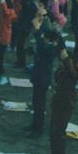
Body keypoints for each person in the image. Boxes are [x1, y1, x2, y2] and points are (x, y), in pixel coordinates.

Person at [48, 39, 78, 154]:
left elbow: (68, 66)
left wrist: (64, 55)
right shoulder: (64, 67)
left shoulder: (73, 71)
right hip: (58, 102)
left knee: (58, 132)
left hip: (65, 104)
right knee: (53, 131)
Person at [27, 9, 58, 138]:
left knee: (40, 104)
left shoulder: (50, 47)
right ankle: (35, 124)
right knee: (36, 102)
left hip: (42, 77)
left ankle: (38, 128)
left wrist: (37, 30)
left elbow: (41, 46)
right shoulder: (48, 44)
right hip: (39, 76)